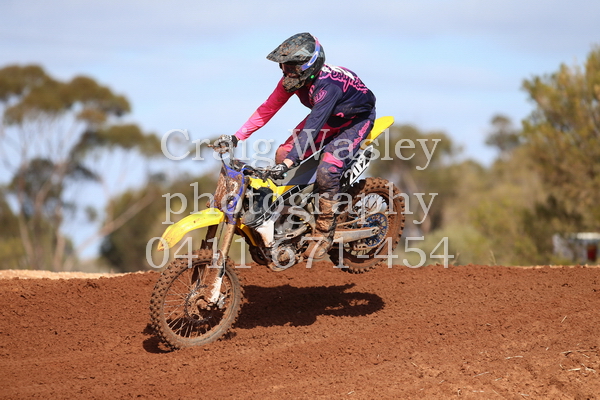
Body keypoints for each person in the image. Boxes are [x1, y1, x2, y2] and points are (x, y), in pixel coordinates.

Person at [216, 32, 376, 259]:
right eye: (284, 66)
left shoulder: (327, 86)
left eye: (292, 67)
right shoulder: (294, 81)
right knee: (282, 154)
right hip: (327, 117)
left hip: (355, 121)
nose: (286, 72)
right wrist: (237, 137)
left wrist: (291, 161)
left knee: (327, 170)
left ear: (310, 64)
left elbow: (312, 129)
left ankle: (324, 229)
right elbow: (268, 108)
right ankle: (290, 217)